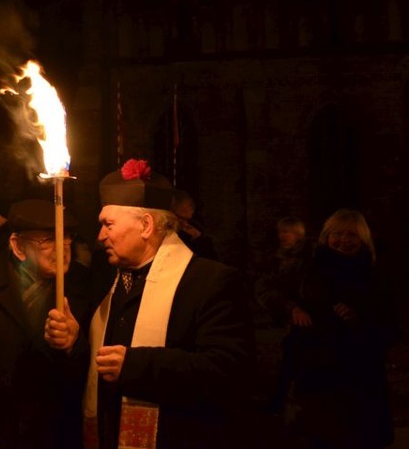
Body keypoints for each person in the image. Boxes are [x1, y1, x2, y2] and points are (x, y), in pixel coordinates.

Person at [83, 158, 256, 449]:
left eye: (108, 224)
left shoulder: (211, 281)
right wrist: (72, 339)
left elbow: (228, 371)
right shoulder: (103, 281)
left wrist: (137, 365)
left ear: (146, 225)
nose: (100, 237)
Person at [0, 198, 93, 449]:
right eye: (48, 240)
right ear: (17, 246)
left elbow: (90, 372)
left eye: (66, 237)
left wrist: (74, 344)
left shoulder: (85, 287)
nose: (62, 248)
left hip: (54, 433)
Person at [283, 209, 397, 448]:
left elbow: (389, 324)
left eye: (352, 235)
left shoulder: (375, 273)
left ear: (362, 239)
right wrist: (293, 308)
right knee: (322, 432)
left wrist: (359, 318)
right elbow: (280, 292)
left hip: (360, 370)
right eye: (338, 234)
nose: (344, 240)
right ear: (327, 236)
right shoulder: (308, 267)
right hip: (318, 365)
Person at [254, 215, 314, 413]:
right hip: (281, 317)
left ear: (298, 234)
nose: (282, 236)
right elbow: (265, 287)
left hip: (300, 321)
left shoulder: (307, 260)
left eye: (286, 231)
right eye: (280, 232)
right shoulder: (276, 258)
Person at [170, 188, 219, 260]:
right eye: (180, 218)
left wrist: (198, 239)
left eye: (187, 219)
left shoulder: (196, 230)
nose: (184, 223)